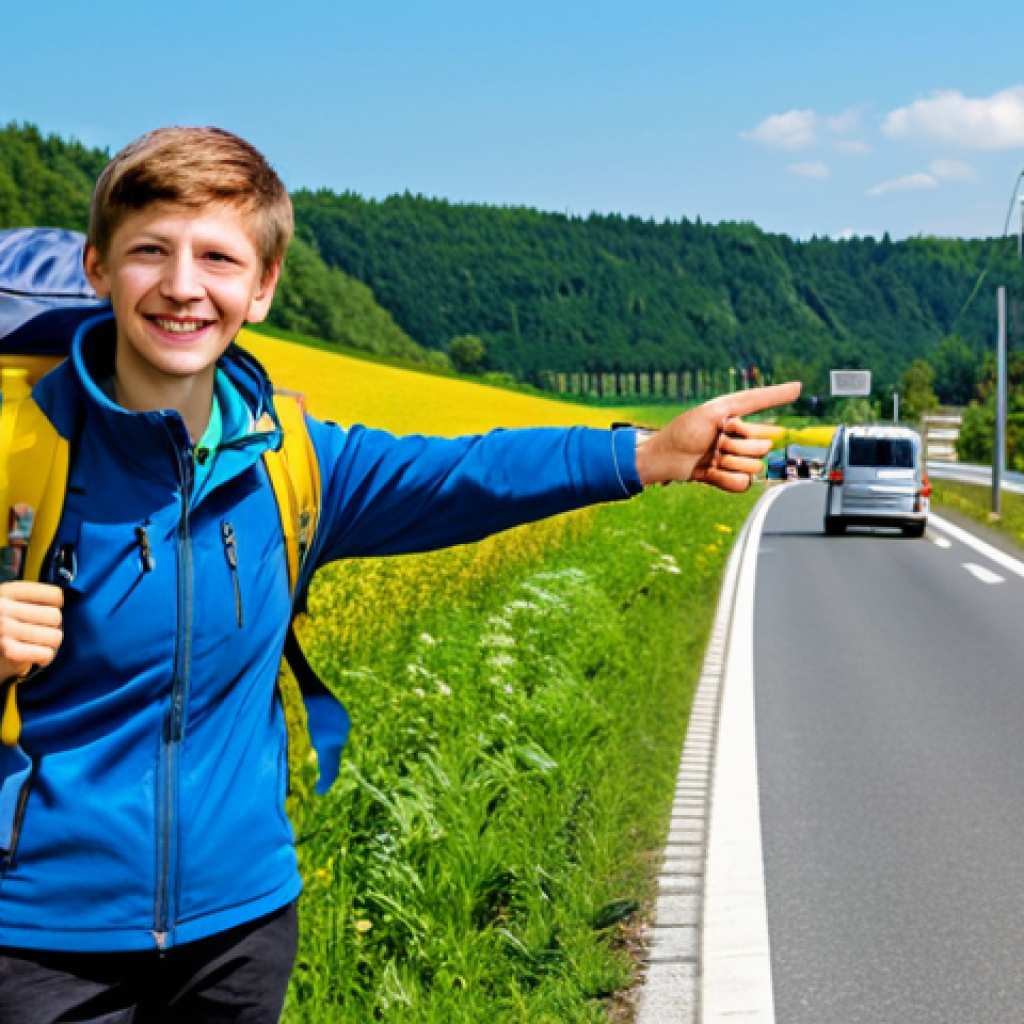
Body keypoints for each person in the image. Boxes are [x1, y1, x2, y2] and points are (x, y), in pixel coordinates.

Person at [0, 126, 800, 1023]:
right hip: (39, 938)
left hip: (240, 929)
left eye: (219, 258)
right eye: (152, 251)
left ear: (261, 289)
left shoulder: (292, 465)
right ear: (99, 268)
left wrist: (647, 452)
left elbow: (466, 475)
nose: (183, 285)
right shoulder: (18, 455)